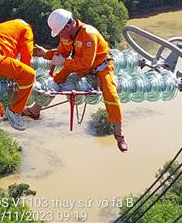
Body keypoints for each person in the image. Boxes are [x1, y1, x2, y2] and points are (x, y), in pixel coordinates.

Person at [24, 9, 128, 152]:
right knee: (56, 80)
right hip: (78, 64)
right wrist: (45, 54)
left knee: (110, 93)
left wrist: (64, 62)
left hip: (101, 66)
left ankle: (119, 133)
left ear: (67, 26)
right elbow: (61, 53)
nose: (59, 35)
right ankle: (35, 111)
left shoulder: (88, 35)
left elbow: (86, 63)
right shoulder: (67, 35)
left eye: (60, 32)